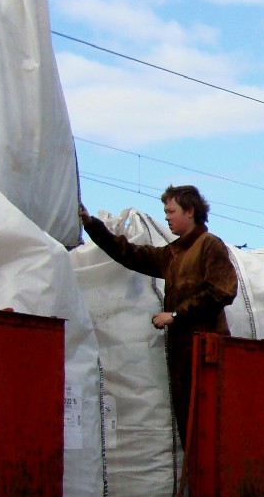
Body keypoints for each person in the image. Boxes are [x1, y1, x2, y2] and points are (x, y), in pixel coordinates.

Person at [79, 185, 237, 443]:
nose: (166, 217)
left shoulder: (209, 246)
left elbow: (223, 290)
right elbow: (131, 255)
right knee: (191, 430)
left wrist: (175, 315)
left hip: (207, 353)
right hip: (184, 354)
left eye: (171, 211)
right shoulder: (174, 254)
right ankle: (194, 482)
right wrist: (91, 225)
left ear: (190, 211)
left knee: (208, 429)